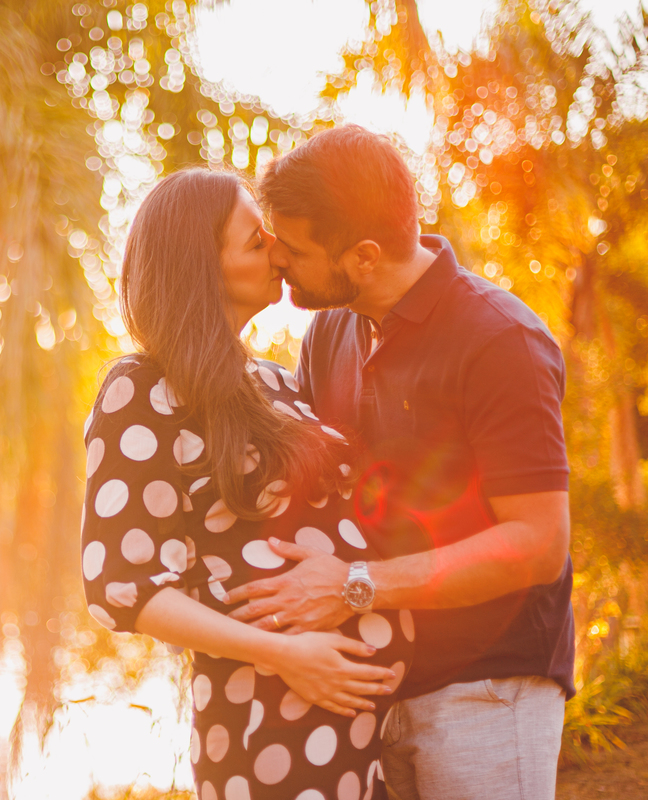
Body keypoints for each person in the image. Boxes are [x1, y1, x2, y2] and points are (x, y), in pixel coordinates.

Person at [225, 124, 574, 800]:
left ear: (362, 257)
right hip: (375, 681)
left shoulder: (501, 340)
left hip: (488, 687)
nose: (279, 262)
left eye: (291, 249)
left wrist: (357, 586)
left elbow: (539, 543)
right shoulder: (331, 331)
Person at [80, 169, 414, 800]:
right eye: (255, 241)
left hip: (354, 711)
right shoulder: (142, 389)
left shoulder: (276, 381)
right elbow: (123, 585)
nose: (277, 252)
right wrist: (282, 655)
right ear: (202, 267)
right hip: (271, 714)